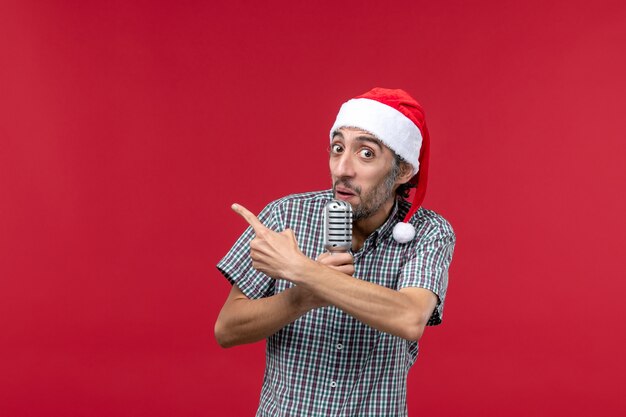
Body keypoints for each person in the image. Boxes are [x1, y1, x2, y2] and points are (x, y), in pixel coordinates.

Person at [215, 88, 456, 417]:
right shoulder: (286, 216)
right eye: (337, 148)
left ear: (402, 172)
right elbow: (227, 330)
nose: (343, 168)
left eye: (366, 154)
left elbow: (410, 317)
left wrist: (303, 270)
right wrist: (306, 296)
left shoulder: (428, 231)